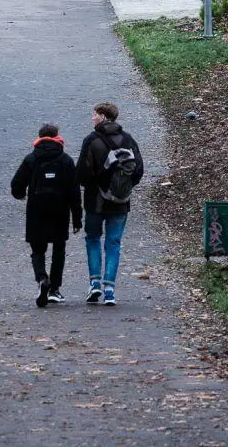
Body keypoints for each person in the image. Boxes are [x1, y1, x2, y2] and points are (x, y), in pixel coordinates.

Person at [76, 102, 144, 305]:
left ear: (103, 117)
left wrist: (94, 185)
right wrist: (122, 187)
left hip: (95, 202)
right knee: (113, 243)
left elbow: (81, 173)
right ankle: (110, 289)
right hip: (121, 202)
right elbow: (138, 170)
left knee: (93, 239)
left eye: (95, 115)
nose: (92, 118)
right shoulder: (128, 139)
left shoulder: (92, 140)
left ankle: (94, 283)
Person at [11, 124, 82, 308]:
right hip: (60, 210)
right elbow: (74, 191)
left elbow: (16, 185)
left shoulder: (32, 158)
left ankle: (42, 277)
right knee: (59, 249)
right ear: (57, 137)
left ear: (40, 137)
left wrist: (21, 194)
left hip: (37, 209)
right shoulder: (66, 160)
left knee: (38, 249)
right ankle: (54, 290)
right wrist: (77, 218)